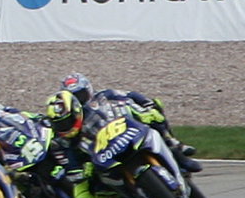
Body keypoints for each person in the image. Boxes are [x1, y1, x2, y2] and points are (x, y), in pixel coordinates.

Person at [59, 72, 199, 173]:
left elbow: (131, 95)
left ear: (88, 88)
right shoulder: (73, 116)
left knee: (154, 111)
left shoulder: (105, 94)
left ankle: (173, 143)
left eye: (81, 94)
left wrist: (146, 103)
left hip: (127, 126)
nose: (79, 99)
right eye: (74, 97)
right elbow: (69, 143)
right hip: (104, 144)